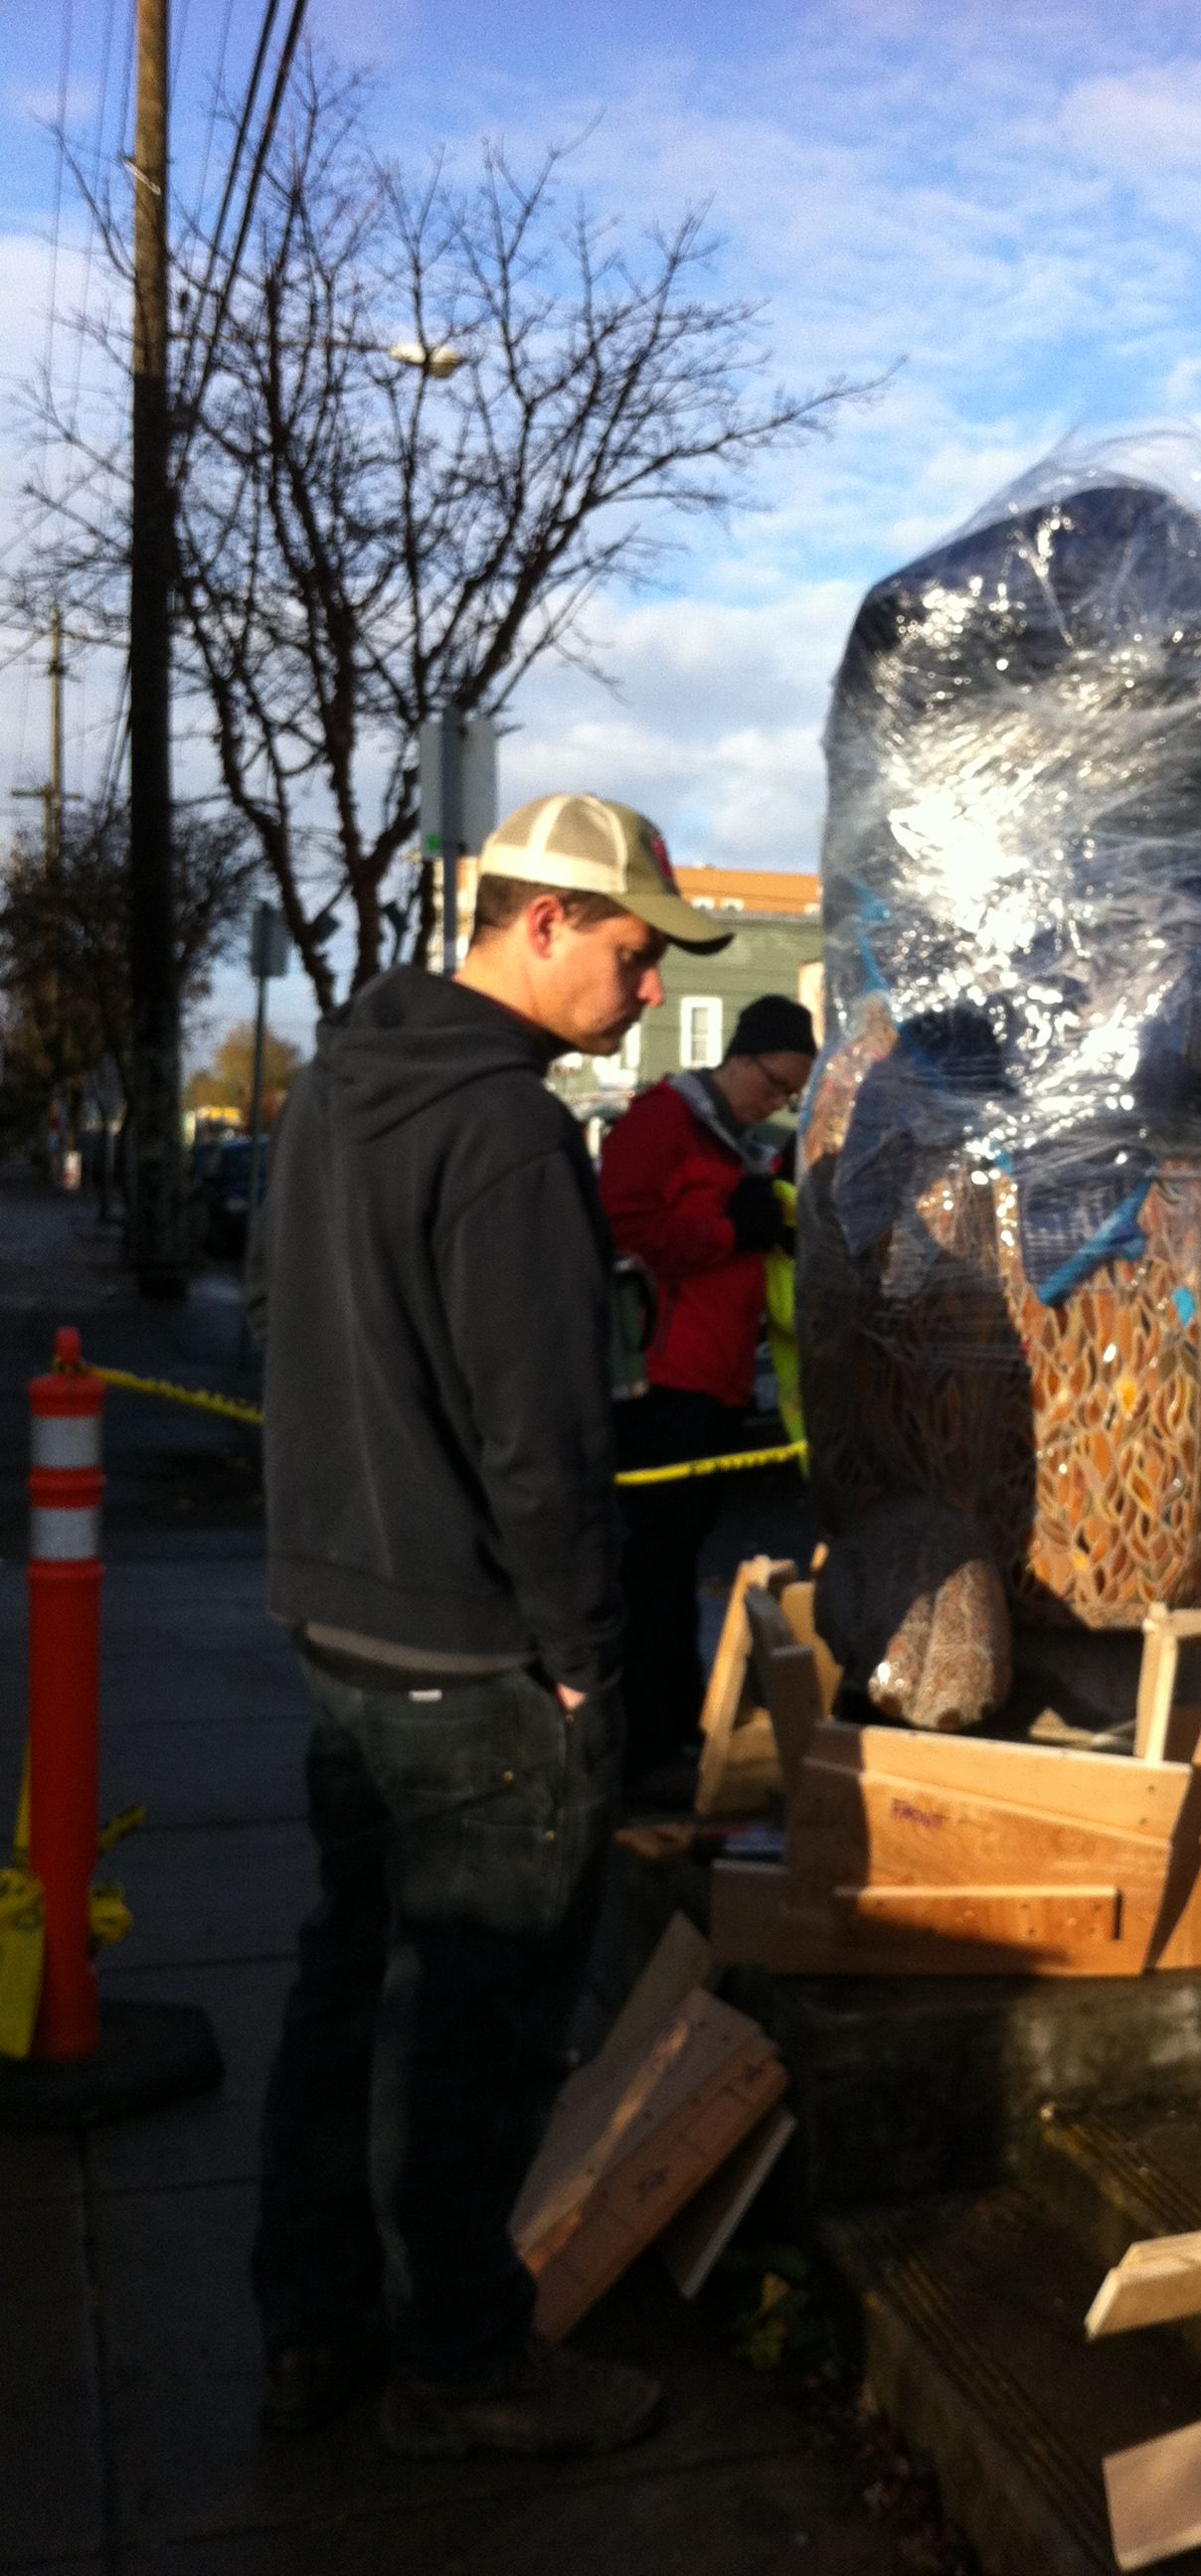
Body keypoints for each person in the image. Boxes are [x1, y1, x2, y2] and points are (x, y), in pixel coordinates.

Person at [247, 791, 727, 2457]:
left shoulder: (335, 1092)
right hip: (476, 1661)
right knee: (473, 2023)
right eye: (632, 948)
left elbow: (286, 1338)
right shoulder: (514, 1134)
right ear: (538, 923)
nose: (649, 987)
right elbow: (546, 1438)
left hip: (338, 1626)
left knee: (344, 1985)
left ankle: (311, 2322)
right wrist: (589, 1661)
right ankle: (463, 2352)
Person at [599, 994, 818, 1797]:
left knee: (676, 1565)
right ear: (740, 1058)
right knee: (650, 1570)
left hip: (718, 1385)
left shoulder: (738, 1143)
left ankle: (669, 1725)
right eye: (775, 1083)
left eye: (791, 1094)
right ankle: (645, 1742)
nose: (776, 1101)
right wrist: (732, 1233)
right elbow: (620, 1229)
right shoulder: (663, 1121)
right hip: (663, 1384)